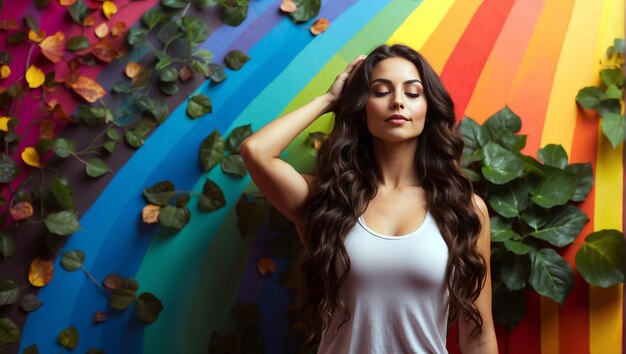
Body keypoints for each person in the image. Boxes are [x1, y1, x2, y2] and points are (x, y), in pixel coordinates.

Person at [240, 44, 497, 354]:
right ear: (362, 110)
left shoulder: (464, 210)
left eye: (413, 93)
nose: (398, 101)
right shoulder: (328, 202)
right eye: (381, 91)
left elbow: (478, 337)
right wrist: (329, 100)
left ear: (428, 111)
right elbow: (256, 152)